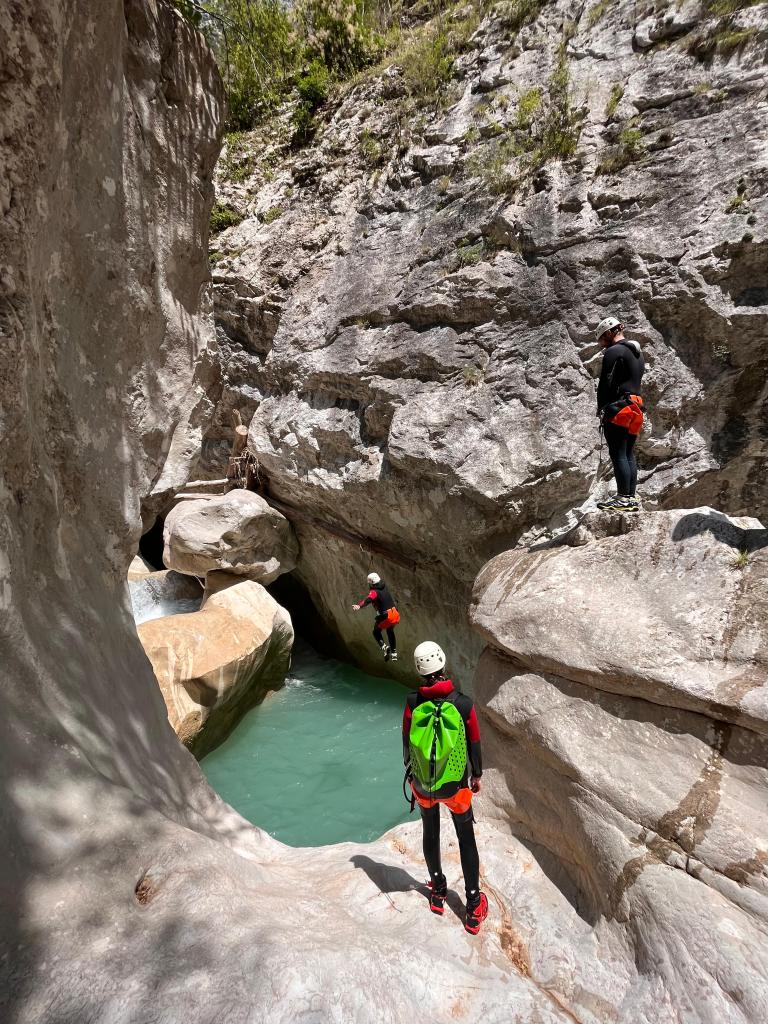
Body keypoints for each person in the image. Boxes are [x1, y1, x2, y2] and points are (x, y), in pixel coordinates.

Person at [403, 641, 488, 935]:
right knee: (465, 838)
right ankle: (473, 906)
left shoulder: (413, 702)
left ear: (419, 669)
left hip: (423, 786)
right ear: (442, 663)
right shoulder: (462, 703)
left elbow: (406, 744)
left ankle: (438, 891)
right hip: (454, 787)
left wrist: (413, 775)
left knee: (430, 831)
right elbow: (474, 742)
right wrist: (476, 775)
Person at [594, 315, 645, 512]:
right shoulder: (637, 353)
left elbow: (605, 383)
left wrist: (601, 407)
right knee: (628, 453)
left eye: (602, 339)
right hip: (636, 405)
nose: (601, 345)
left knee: (618, 453)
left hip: (619, 407)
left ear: (608, 333)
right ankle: (630, 497)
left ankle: (623, 498)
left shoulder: (613, 352)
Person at [352, 572, 400, 661]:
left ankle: (384, 647)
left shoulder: (374, 592)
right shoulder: (384, 587)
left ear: (371, 583)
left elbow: (368, 600)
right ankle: (394, 653)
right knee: (390, 630)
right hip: (395, 613)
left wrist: (359, 606)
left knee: (376, 632)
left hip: (386, 615)